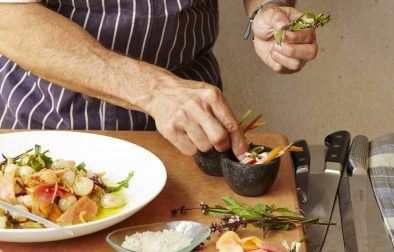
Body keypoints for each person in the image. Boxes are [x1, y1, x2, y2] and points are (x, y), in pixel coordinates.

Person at [0, 0, 318, 160]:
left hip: (195, 129)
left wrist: (266, 9)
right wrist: (155, 90)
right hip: (54, 123)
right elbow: (11, 17)